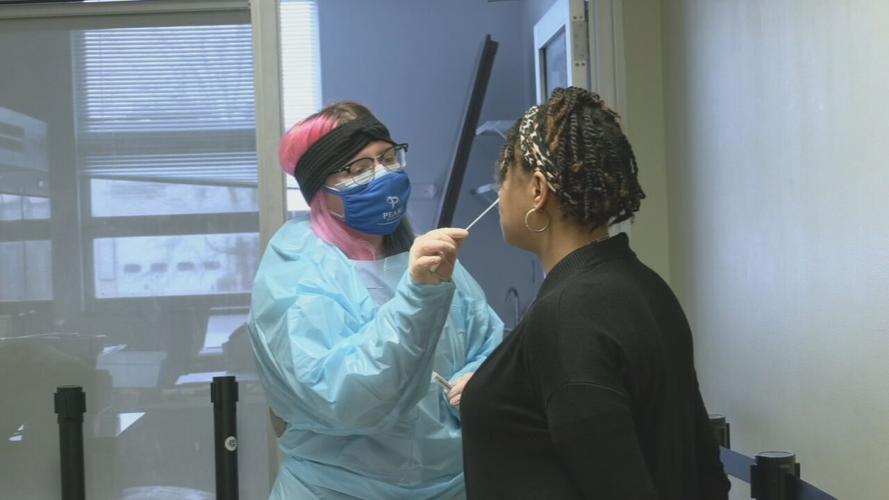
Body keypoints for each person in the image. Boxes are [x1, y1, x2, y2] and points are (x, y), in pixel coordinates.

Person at [460, 87, 730, 499]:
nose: (498, 193)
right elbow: (702, 469)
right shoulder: (641, 284)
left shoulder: (570, 312)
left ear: (537, 190)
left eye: (504, 176)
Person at [247, 101, 503, 499]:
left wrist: (480, 382)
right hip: (335, 490)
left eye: (387, 158)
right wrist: (418, 297)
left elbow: (488, 343)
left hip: (450, 486)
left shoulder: (422, 256)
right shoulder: (297, 272)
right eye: (358, 168)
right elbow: (346, 397)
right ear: (321, 188)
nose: (382, 175)